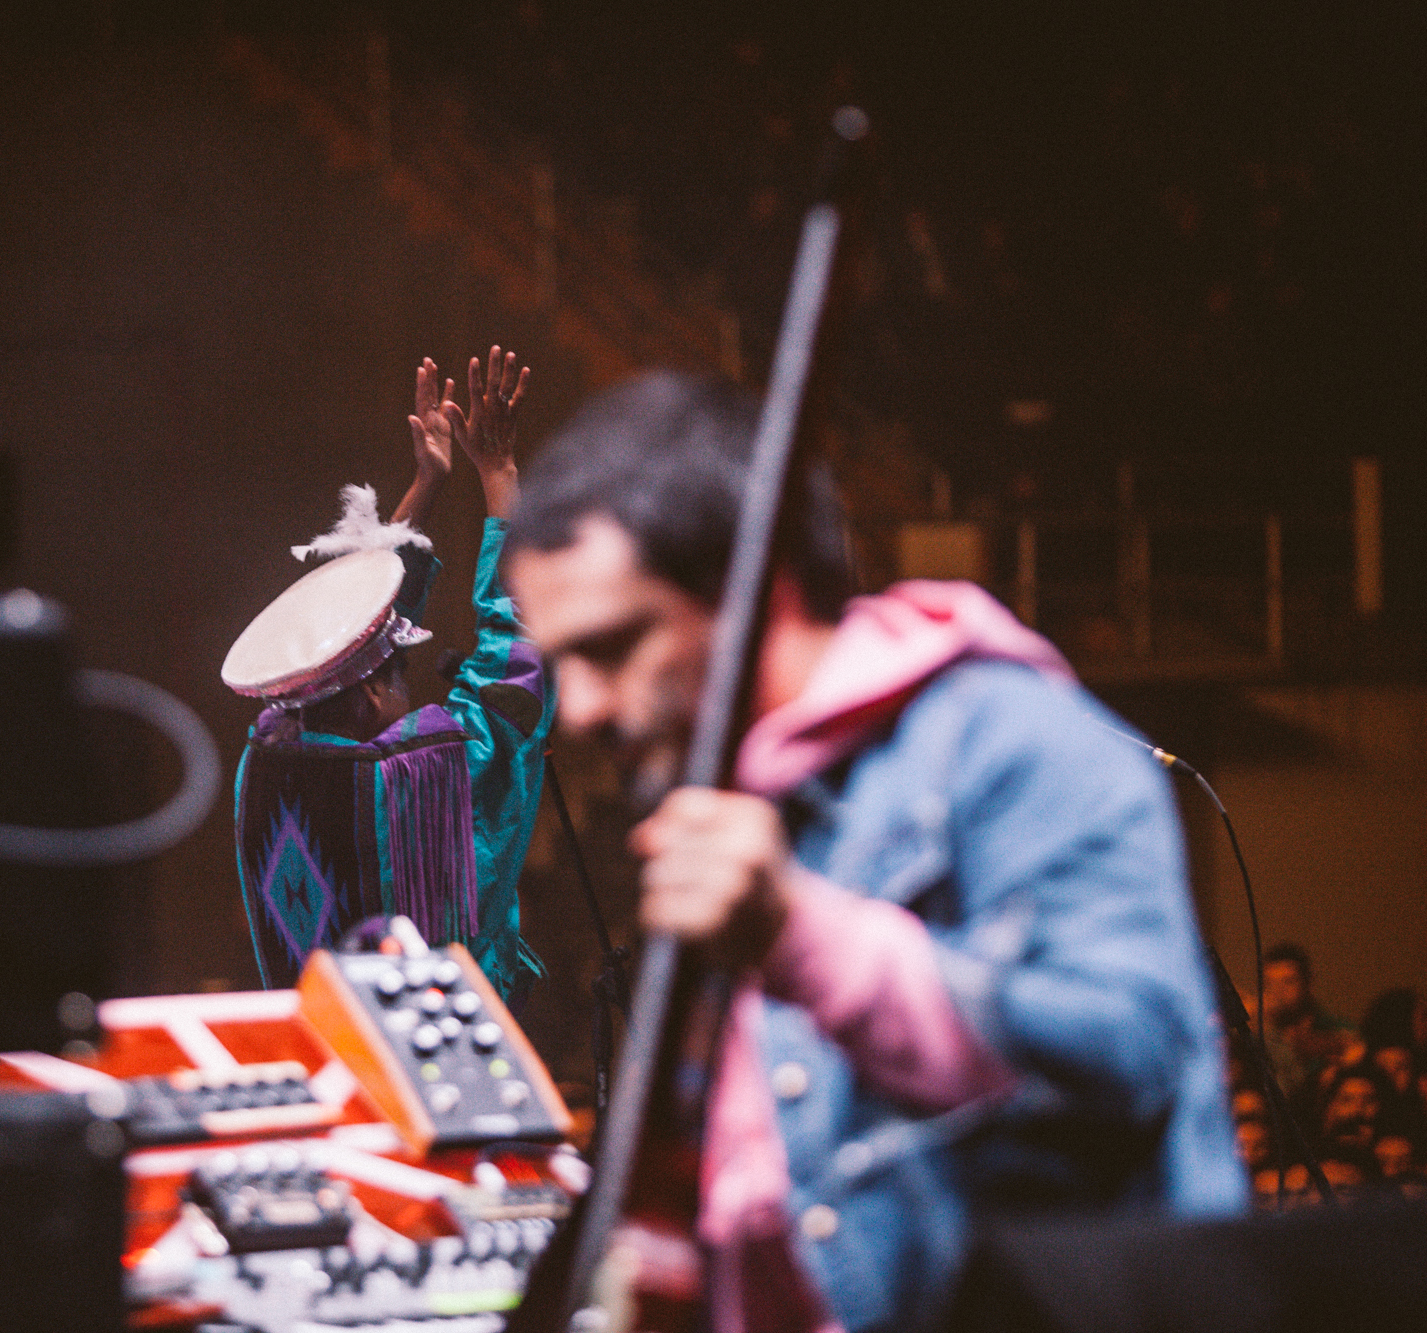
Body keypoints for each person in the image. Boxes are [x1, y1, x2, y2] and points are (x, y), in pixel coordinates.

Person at [502, 372, 1247, 1332]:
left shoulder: (1008, 741)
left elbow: (1130, 1050)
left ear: (753, 585)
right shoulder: (726, 805)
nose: (582, 708)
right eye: (558, 660)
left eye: (611, 646)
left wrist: (803, 936)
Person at [223, 349, 554, 1003]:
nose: (408, 693)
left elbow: (344, 635)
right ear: (372, 690)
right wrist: (500, 472)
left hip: (325, 1057)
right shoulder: (416, 779)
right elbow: (513, 667)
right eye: (398, 674)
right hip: (440, 1069)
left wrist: (426, 483)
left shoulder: (266, 761)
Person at [1260, 942, 1355, 1101]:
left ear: (1308, 984)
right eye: (1270, 984)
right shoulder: (1259, 1035)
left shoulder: (1335, 1028)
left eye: (1288, 982)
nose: (1277, 992)